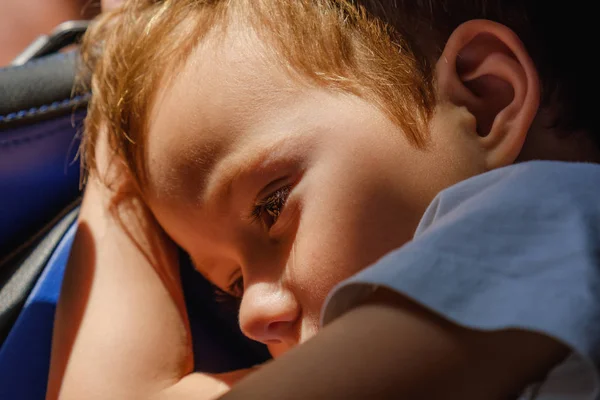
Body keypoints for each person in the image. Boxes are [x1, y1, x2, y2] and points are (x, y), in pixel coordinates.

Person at [47, 0, 600, 399]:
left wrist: (112, 59)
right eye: (233, 283)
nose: (251, 315)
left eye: (272, 206)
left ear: (484, 100)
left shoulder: (554, 217)